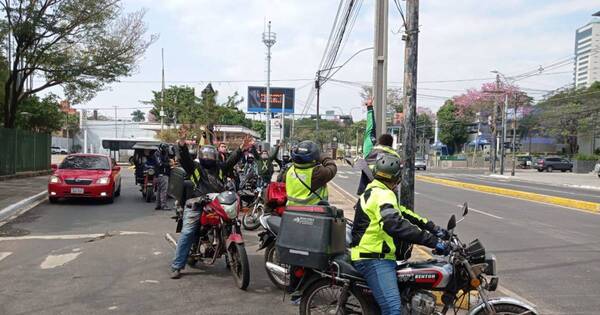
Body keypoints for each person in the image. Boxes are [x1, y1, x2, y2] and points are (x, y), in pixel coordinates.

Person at [350, 154, 449, 315]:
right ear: (397, 178)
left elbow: (405, 214)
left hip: (379, 255)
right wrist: (434, 241)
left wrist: (434, 228)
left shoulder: (376, 190)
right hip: (373, 259)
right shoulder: (383, 194)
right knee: (393, 309)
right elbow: (396, 225)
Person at [170, 135, 255, 279]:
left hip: (218, 203)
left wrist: (241, 149)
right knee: (188, 232)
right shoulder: (195, 168)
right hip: (197, 203)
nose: (209, 157)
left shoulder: (220, 168)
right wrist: (182, 145)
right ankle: (177, 265)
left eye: (211, 155)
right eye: (206, 155)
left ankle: (231, 255)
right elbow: (185, 160)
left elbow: (232, 160)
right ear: (201, 156)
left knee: (233, 222)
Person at [357, 99, 401, 195]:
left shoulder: (370, 150)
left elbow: (370, 129)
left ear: (379, 142)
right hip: (389, 194)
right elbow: (399, 178)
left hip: (368, 192)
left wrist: (369, 108)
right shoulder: (396, 156)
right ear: (391, 144)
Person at [283, 140, 337, 206]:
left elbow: (280, 181)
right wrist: (321, 156)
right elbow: (332, 167)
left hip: (291, 210)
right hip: (313, 211)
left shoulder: (289, 170)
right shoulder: (317, 172)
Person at [154, 143, 173, 210]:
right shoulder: (158, 154)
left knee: (159, 190)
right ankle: (163, 205)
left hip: (159, 175)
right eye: (166, 148)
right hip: (162, 174)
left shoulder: (160, 153)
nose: (167, 149)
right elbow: (160, 164)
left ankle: (158, 205)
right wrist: (169, 164)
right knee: (163, 191)